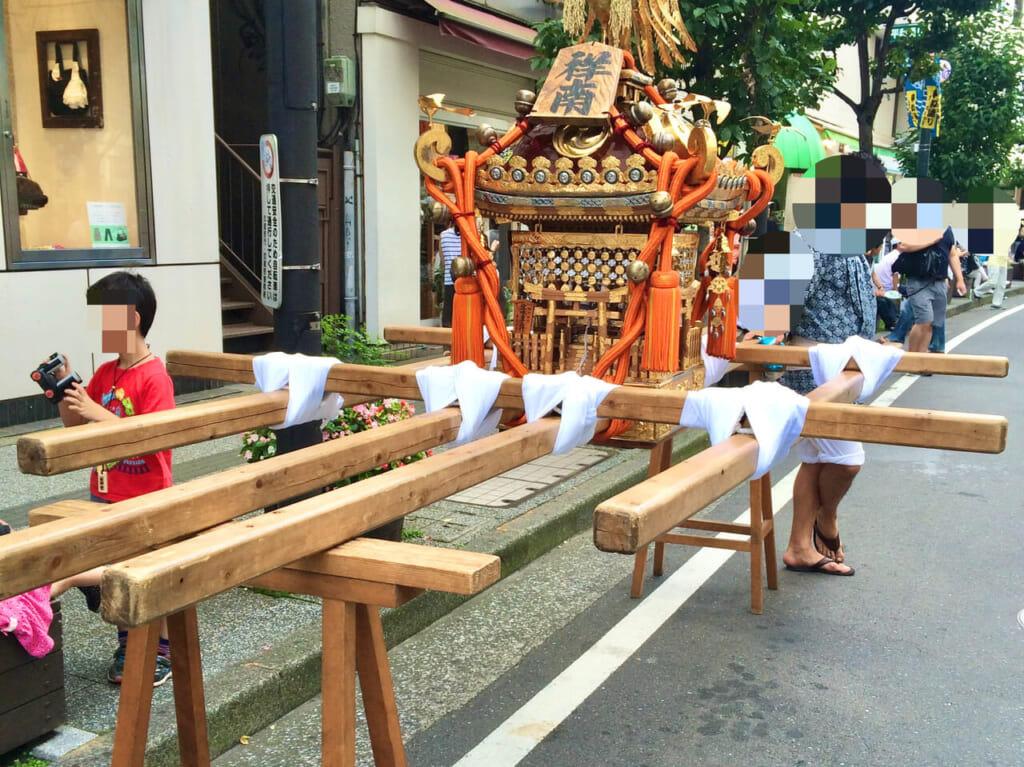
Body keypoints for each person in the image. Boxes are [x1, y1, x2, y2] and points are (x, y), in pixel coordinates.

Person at [53, 270, 176, 687]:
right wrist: (65, 397)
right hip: (104, 491)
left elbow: (150, 440)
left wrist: (94, 411)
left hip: (145, 495)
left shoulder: (154, 376)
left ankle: (158, 652)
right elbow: (78, 428)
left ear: (132, 318)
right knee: (119, 575)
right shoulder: (106, 372)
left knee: (139, 572)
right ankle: (129, 642)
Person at [779, 153, 892, 577]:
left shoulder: (850, 241)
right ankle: (825, 521)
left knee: (818, 461)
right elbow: (776, 308)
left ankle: (798, 548)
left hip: (845, 370)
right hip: (813, 371)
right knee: (847, 460)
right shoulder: (807, 238)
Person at [439, 223, 461, 328]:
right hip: (465, 281)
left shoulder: (443, 235)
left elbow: (443, 261)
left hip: (449, 280)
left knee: (448, 315)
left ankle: (447, 342)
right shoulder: (467, 235)